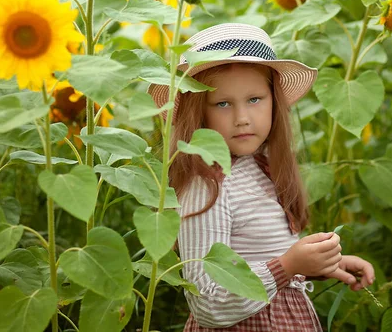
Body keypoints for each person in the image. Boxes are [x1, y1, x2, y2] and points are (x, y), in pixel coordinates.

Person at [148, 23, 375, 331]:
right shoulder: (208, 186)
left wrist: (318, 266)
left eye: (254, 99)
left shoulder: (262, 168)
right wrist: (288, 266)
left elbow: (263, 254)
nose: (242, 118)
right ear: (198, 111)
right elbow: (208, 303)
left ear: (273, 101)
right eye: (223, 103)